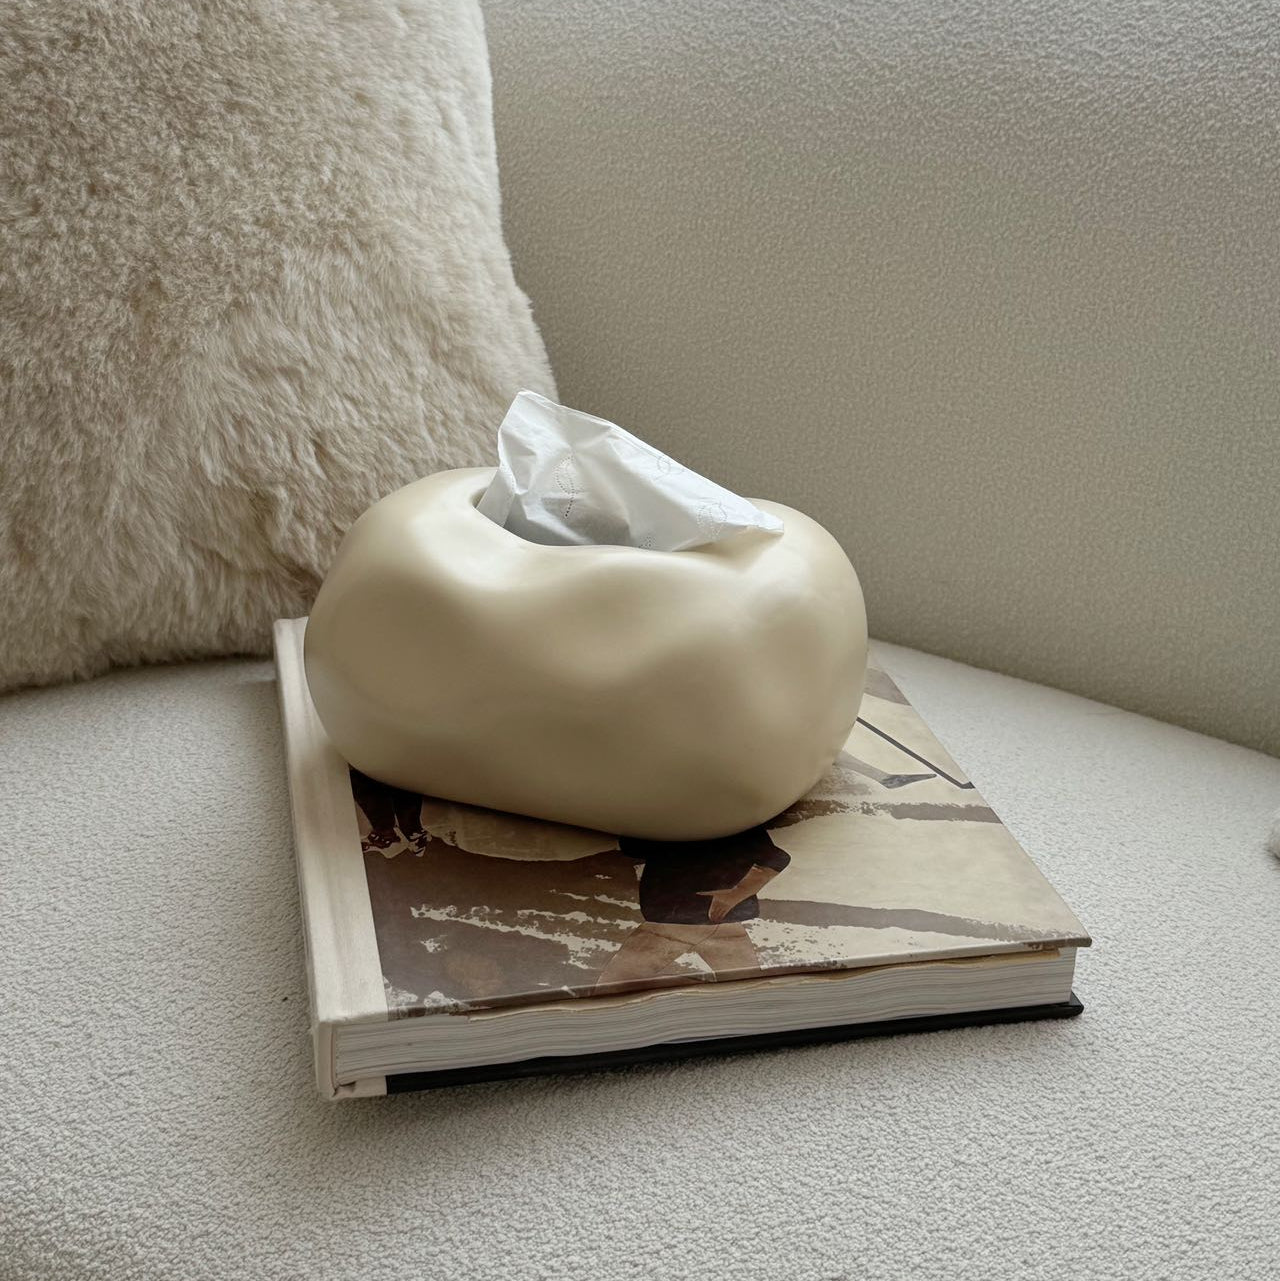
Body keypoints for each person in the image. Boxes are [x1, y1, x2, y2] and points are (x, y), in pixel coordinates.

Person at [593, 826, 791, 993]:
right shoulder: (667, 821)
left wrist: (737, 893)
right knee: (750, 989)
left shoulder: (734, 821)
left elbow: (777, 859)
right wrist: (737, 894)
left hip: (674, 923)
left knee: (611, 987)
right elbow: (632, 846)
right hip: (703, 921)